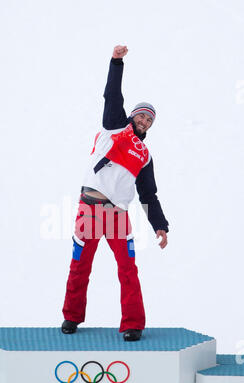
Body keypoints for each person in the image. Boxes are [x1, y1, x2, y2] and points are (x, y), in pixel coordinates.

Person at [61, 45, 169, 341]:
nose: (144, 121)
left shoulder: (145, 155)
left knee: (127, 269)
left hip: (118, 216)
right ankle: (71, 317)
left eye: (149, 120)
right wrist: (116, 63)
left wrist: (160, 226)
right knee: (80, 264)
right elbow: (112, 95)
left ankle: (132, 324)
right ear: (132, 116)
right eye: (141, 116)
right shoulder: (112, 126)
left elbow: (149, 195)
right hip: (89, 209)